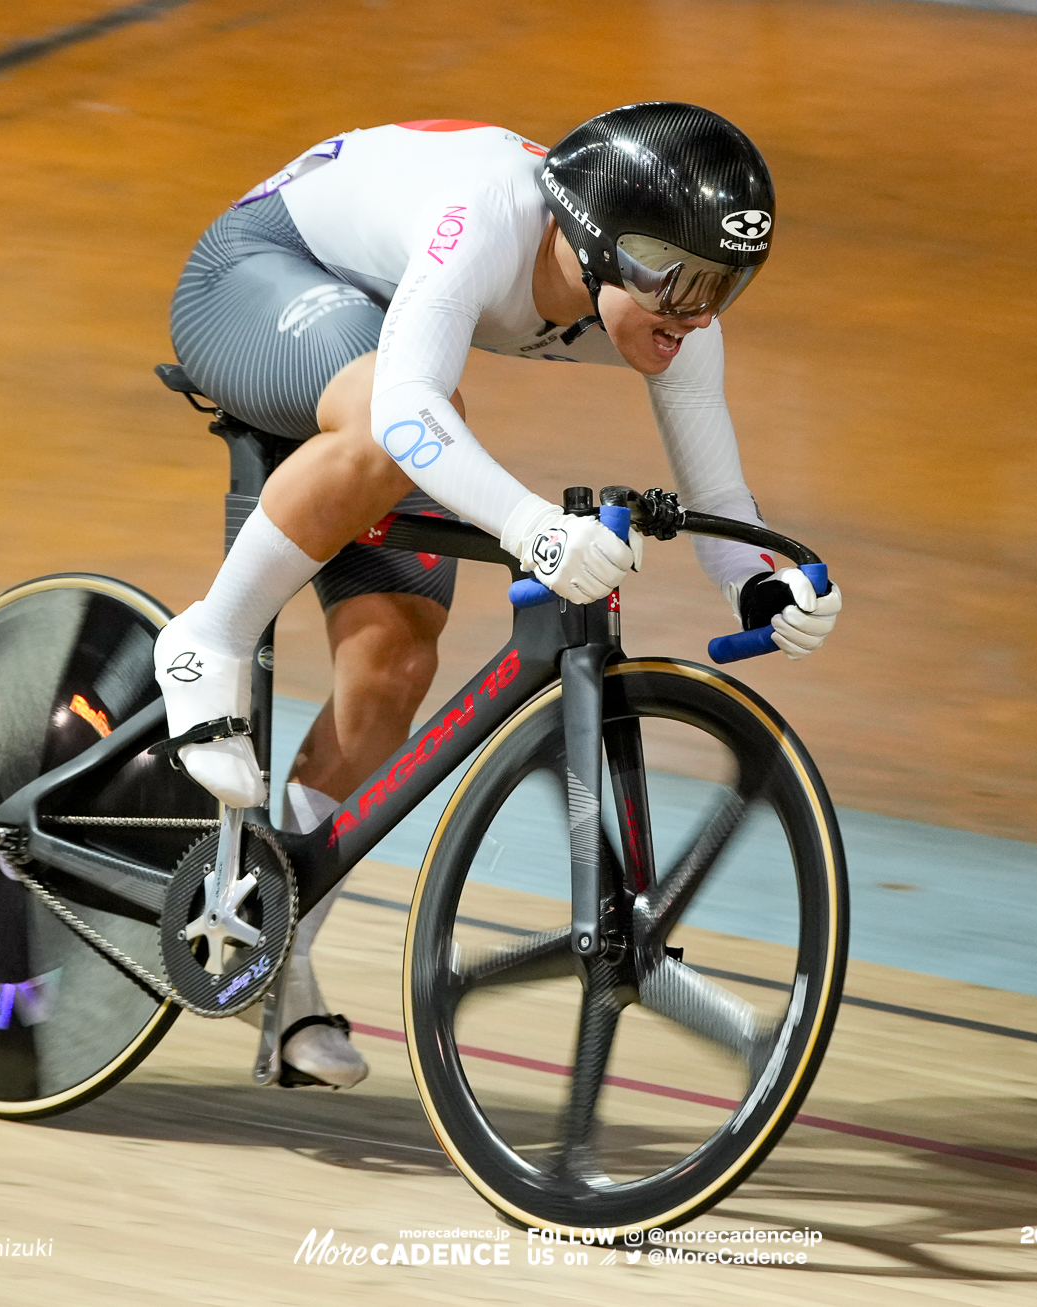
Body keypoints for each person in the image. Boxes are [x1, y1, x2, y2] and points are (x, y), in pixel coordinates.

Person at [155, 103, 843, 1088]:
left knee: (392, 662)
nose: (693, 311)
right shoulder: (487, 214)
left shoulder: (677, 318)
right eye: (675, 278)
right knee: (401, 418)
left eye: (722, 285)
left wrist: (764, 585)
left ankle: (279, 944)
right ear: (597, 240)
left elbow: (719, 498)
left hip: (372, 329)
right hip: (256, 279)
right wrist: (530, 527)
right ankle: (205, 637)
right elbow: (406, 409)